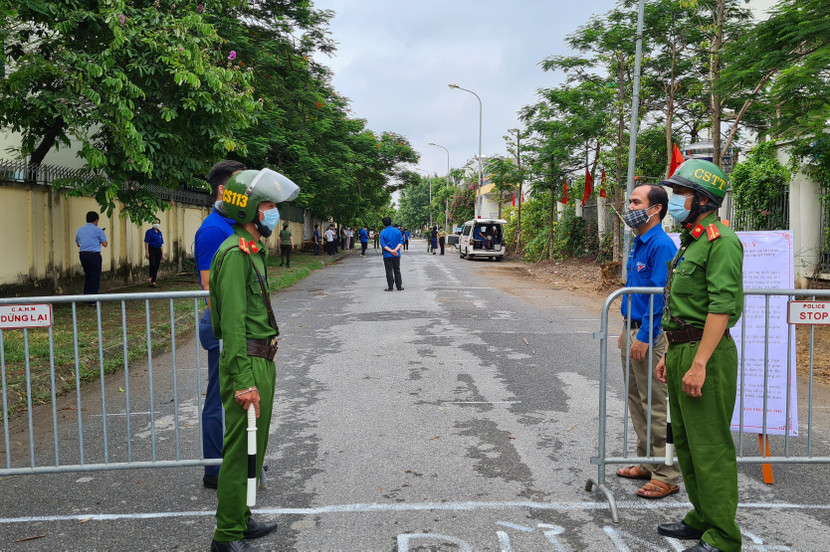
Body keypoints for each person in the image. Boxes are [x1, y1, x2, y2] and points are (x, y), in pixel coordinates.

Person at [655, 159, 744, 552]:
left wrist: (700, 363)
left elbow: (721, 308)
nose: (676, 200)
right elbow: (681, 303)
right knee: (688, 444)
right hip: (682, 349)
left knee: (710, 446)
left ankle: (724, 537)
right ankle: (702, 517)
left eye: (682, 194)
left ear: (703, 200)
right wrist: (669, 353)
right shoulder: (692, 241)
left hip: (705, 353)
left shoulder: (721, 241)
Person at [208, 167, 299, 552]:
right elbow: (230, 325)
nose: (274, 212)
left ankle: (242, 517)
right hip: (247, 361)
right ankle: (226, 535)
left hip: (263, 357)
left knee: (253, 447)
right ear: (247, 210)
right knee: (238, 450)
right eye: (268, 205)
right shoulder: (234, 255)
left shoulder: (252, 251)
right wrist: (244, 380)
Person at [615, 184, 681, 499]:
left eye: (636, 202)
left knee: (655, 403)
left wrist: (643, 335)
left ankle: (666, 473)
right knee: (635, 399)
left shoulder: (661, 245)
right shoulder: (640, 242)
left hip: (651, 335)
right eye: (630, 202)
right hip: (635, 328)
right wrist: (626, 327)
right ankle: (647, 462)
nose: (630, 207)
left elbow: (661, 297)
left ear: (655, 209)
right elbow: (634, 292)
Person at [195, 160, 245, 490]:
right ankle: (215, 467)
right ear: (225, 190)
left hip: (233, 324)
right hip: (220, 326)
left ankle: (236, 458)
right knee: (218, 398)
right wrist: (230, 332)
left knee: (233, 396)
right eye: (242, 186)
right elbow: (209, 287)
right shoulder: (214, 230)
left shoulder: (233, 224)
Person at [75, 211, 108, 305]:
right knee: (94, 277)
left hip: (83, 255)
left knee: (88, 275)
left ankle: (87, 296)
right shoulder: (98, 230)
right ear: (96, 220)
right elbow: (105, 244)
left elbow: (78, 243)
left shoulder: (80, 230)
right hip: (94, 255)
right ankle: (92, 300)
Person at [380, 217, 403, 291]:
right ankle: (399, 286)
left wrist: (390, 251)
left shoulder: (382, 232)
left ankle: (390, 287)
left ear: (383, 224)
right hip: (396, 254)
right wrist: (395, 250)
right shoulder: (397, 232)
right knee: (397, 270)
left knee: (389, 270)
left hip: (387, 254)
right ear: (391, 222)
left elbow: (383, 244)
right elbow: (401, 242)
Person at [144, 218, 164, 288]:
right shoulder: (149, 232)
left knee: (157, 265)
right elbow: (146, 242)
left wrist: (162, 254)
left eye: (158, 223)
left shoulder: (159, 233)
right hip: (151, 249)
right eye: (155, 222)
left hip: (158, 250)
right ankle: (151, 277)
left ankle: (153, 281)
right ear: (152, 223)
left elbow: (161, 244)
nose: (157, 224)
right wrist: (147, 252)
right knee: (153, 264)